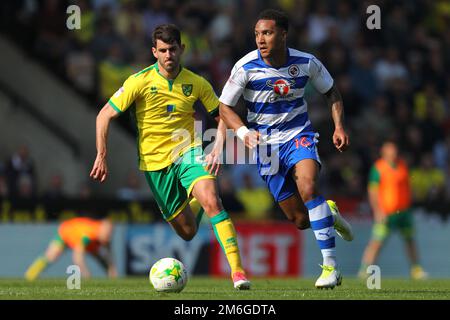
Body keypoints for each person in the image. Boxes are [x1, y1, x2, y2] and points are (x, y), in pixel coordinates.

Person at [89, 24, 250, 290]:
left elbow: (222, 113)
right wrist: (101, 155)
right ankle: (195, 202)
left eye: (172, 49)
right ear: (154, 52)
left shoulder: (196, 82)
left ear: (182, 49)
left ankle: (238, 272)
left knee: (213, 200)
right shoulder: (139, 81)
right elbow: (104, 115)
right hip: (154, 165)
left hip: (188, 151)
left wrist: (218, 145)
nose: (168, 55)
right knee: (187, 232)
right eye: (162, 50)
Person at [218, 9, 353, 289]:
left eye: (266, 33)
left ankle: (330, 267)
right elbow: (224, 106)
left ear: (283, 34)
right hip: (265, 146)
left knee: (308, 186)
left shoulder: (307, 63)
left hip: (298, 135)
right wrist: (242, 132)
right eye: (257, 33)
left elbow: (332, 92)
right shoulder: (245, 67)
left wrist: (339, 126)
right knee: (300, 219)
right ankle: (329, 213)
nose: (260, 39)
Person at [358, 140, 428, 280]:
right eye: (390, 150)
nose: (393, 153)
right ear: (384, 152)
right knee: (377, 242)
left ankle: (416, 269)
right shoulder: (378, 168)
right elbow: (373, 192)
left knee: (410, 240)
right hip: (386, 213)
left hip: (404, 212)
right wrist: (378, 211)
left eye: (394, 150)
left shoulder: (403, 165)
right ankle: (365, 269)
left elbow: (407, 186)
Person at [25, 217, 117, 280]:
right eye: (107, 232)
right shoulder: (87, 235)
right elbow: (77, 258)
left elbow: (109, 254)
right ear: (101, 229)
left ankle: (111, 278)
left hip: (88, 242)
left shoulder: (104, 235)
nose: (108, 235)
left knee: (102, 259)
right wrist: (86, 274)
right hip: (66, 233)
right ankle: (30, 274)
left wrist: (112, 269)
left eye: (110, 233)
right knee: (51, 256)